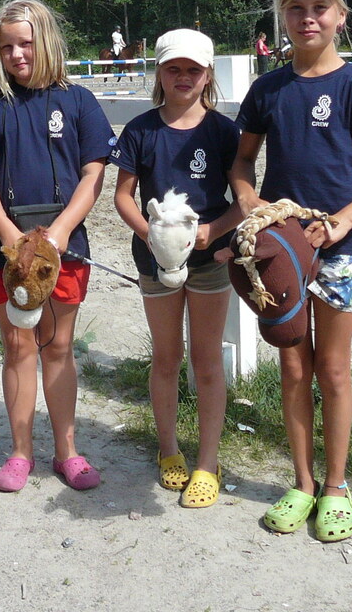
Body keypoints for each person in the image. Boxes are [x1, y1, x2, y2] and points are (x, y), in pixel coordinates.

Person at [231, 0, 352, 541]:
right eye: (296, 7)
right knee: (292, 365)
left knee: (332, 368)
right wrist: (251, 203)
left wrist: (344, 219)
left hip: (339, 250)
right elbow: (241, 163)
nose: (308, 17)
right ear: (282, 17)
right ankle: (302, 482)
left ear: (341, 16)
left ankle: (336, 485)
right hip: (281, 250)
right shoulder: (267, 89)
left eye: (320, 7)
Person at [0, 0, 113, 493]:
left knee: (58, 346)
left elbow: (94, 173)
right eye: (7, 47)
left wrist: (60, 232)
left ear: (47, 41)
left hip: (64, 246)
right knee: (18, 345)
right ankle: (21, 451)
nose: (17, 54)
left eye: (26, 43)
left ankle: (68, 451)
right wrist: (7, 234)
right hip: (5, 249)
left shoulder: (79, 101)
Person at [112, 29, 244, 509]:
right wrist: (152, 236)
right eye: (173, 69)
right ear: (160, 73)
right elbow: (123, 196)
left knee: (206, 361)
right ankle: (168, 448)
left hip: (210, 261)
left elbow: (244, 199)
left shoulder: (224, 132)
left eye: (193, 69)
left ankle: (208, 461)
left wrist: (213, 230)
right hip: (156, 261)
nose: (183, 77)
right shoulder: (141, 130)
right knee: (166, 356)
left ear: (207, 75)